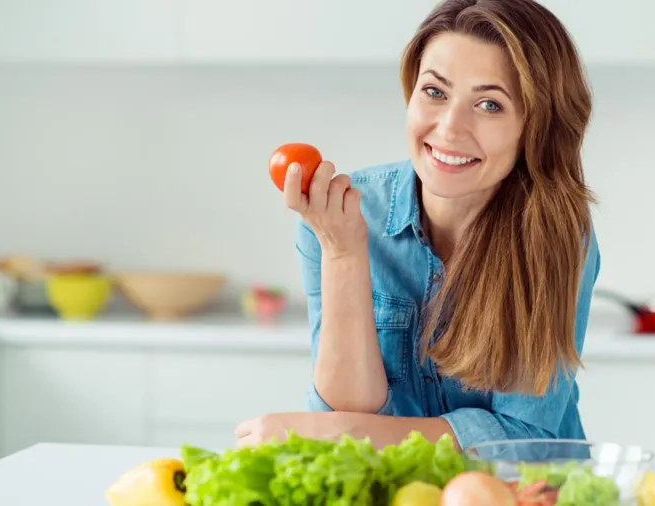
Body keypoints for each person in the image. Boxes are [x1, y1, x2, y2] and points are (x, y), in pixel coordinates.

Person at [235, 0, 600, 452]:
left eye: (489, 104)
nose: (449, 129)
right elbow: (351, 411)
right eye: (435, 92)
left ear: (536, 127)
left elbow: (526, 441)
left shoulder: (554, 235)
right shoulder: (339, 217)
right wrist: (344, 254)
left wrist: (336, 432)